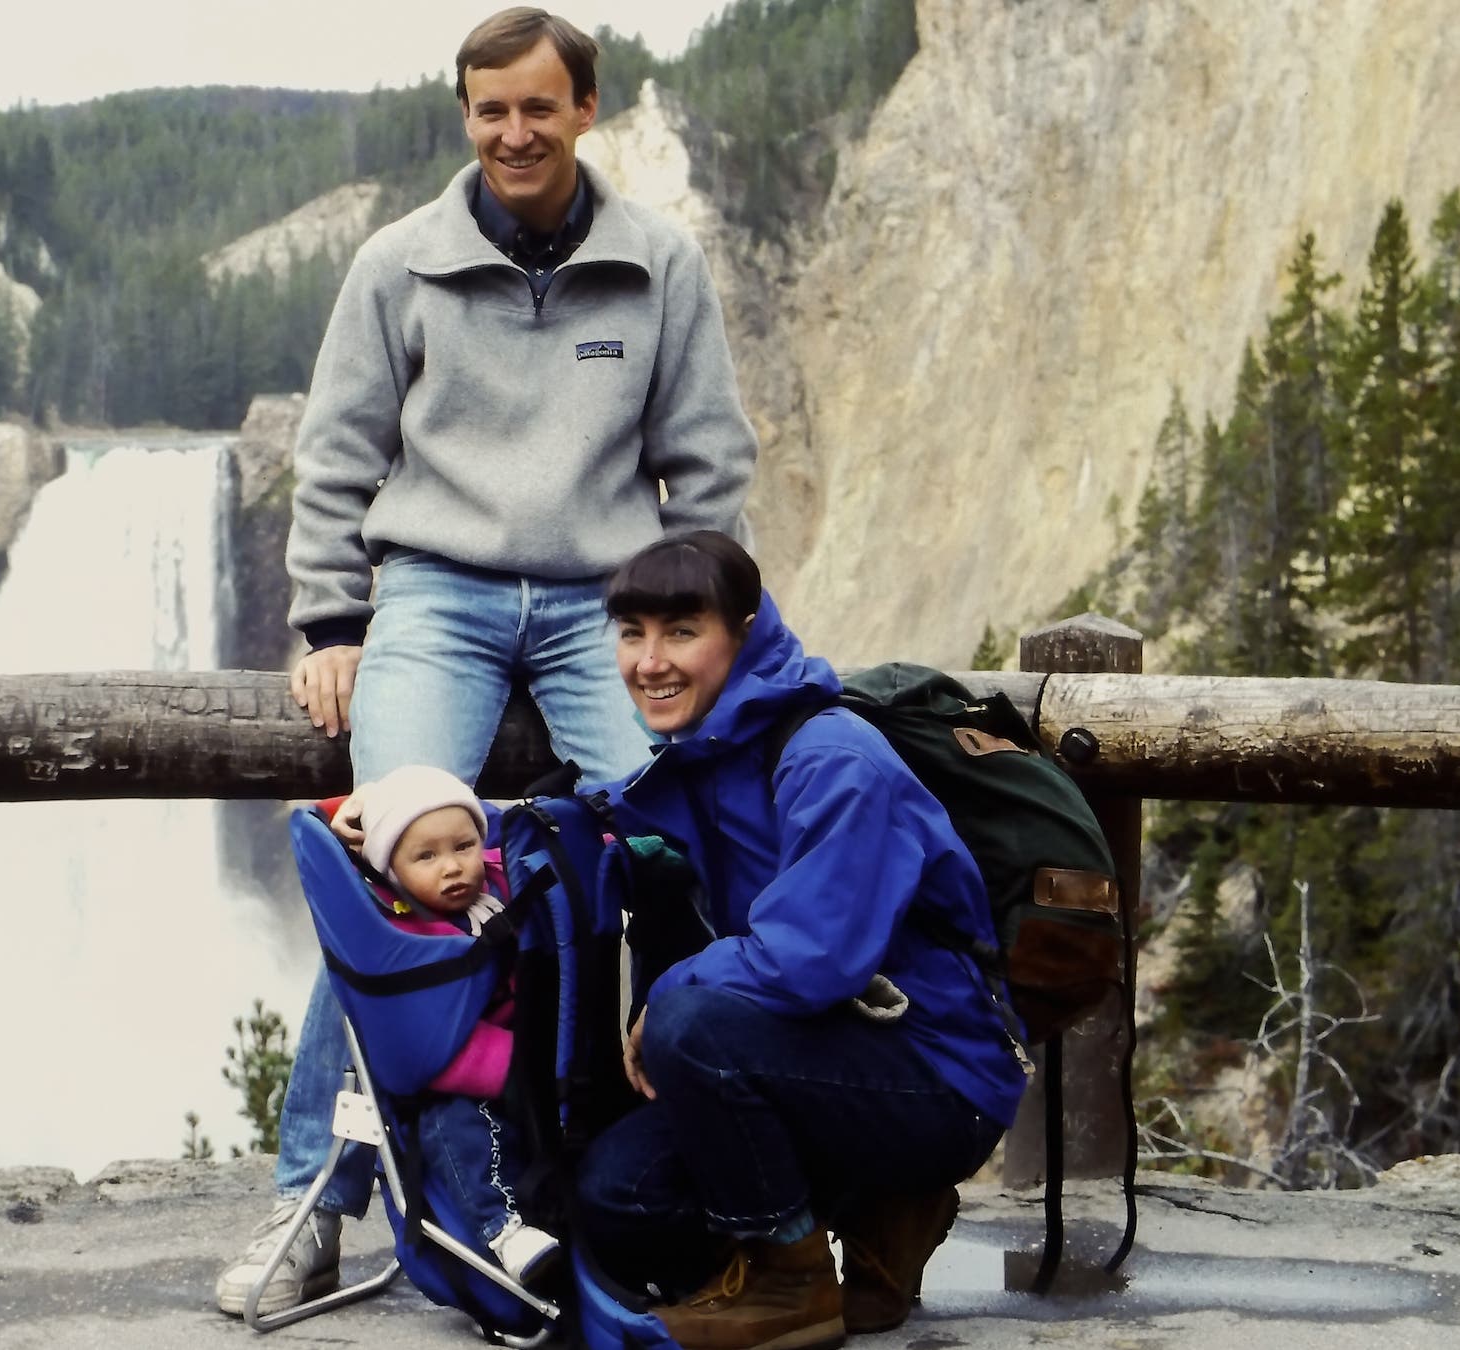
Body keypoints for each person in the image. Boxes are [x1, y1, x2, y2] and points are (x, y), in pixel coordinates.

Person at [217, 4, 757, 1315]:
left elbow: (710, 467)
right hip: (440, 598)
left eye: (538, 106)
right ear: (465, 115)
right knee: (387, 875)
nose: (513, 132)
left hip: (602, 605)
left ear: (584, 109)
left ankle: (704, 1190)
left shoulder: (657, 265)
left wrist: (695, 632)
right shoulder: (399, 265)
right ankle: (317, 1202)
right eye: (488, 108)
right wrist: (333, 625)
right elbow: (337, 453)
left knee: (685, 831)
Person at [577, 530, 1029, 1350]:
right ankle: (880, 1203)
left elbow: (811, 956)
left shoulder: (830, 757)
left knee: (691, 1027)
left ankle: (793, 1285)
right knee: (621, 1196)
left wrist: (668, 998)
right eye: (632, 633)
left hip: (938, 1071)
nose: (651, 661)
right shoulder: (711, 752)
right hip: (829, 1050)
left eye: (683, 631)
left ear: (745, 632)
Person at [350, 766, 563, 1290]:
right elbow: (422, 1042)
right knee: (453, 1130)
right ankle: (504, 1233)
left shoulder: (502, 881)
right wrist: (519, 1066)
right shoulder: (402, 932)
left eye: (463, 846)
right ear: (392, 869)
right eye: (426, 856)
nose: (452, 868)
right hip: (458, 1082)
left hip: (532, 1064)